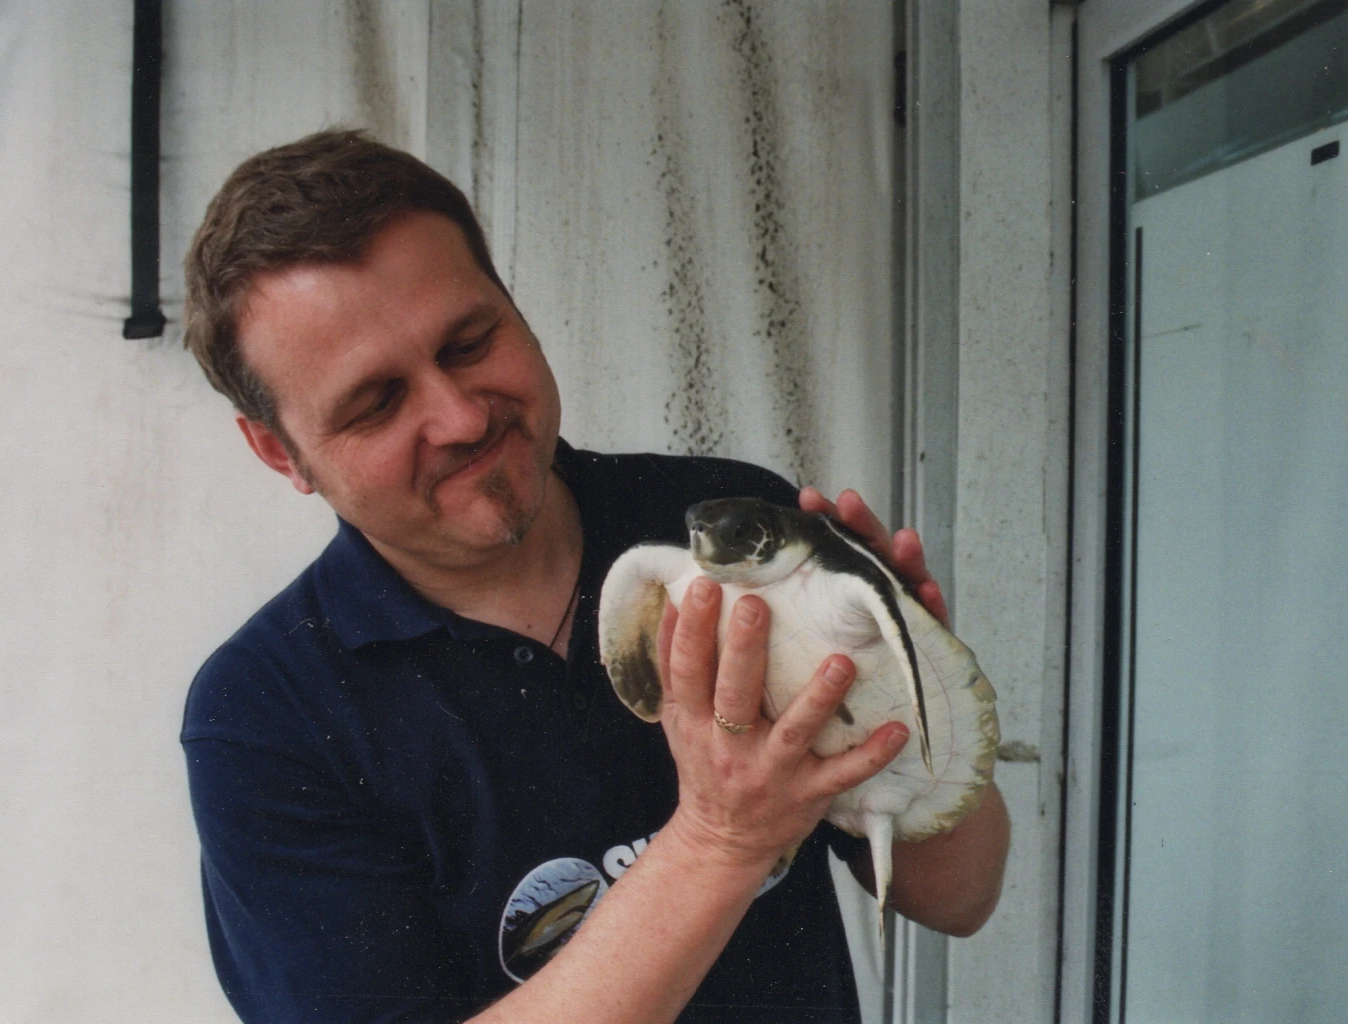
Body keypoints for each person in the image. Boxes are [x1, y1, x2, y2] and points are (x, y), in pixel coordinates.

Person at [180, 129, 1009, 1024]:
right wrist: (721, 839)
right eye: (377, 402)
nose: (459, 418)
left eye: (468, 342)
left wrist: (914, 695)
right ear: (278, 451)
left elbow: (956, 898)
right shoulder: (266, 716)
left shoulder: (722, 526)